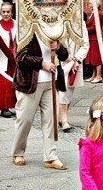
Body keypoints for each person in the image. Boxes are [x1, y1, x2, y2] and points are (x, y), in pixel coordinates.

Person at [11, 33, 68, 170]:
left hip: (51, 82)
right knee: (25, 119)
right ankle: (18, 152)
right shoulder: (25, 31)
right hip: (29, 83)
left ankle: (50, 156)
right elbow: (20, 58)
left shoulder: (54, 31)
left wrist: (58, 47)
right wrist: (42, 64)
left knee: (51, 120)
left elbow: (65, 55)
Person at [57, 31, 90, 132]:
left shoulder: (80, 24)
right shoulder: (58, 22)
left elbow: (85, 45)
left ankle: (62, 116)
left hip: (74, 63)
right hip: (59, 60)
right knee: (62, 91)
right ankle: (64, 119)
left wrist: (76, 60)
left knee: (68, 91)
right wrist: (64, 55)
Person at [0, 2, 17, 118]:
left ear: (12, 13)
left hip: (15, 58)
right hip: (1, 58)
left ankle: (15, 105)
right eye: (4, 12)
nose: (6, 14)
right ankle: (4, 107)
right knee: (3, 83)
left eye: (8, 12)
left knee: (14, 82)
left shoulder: (17, 24)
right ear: (0, 13)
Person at [84, 0, 103, 83]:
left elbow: (95, 27)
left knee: (96, 57)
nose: (89, 5)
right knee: (92, 58)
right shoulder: (93, 14)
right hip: (90, 38)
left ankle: (99, 76)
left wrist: (85, 30)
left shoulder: (98, 14)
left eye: (90, 4)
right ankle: (94, 75)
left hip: (95, 38)